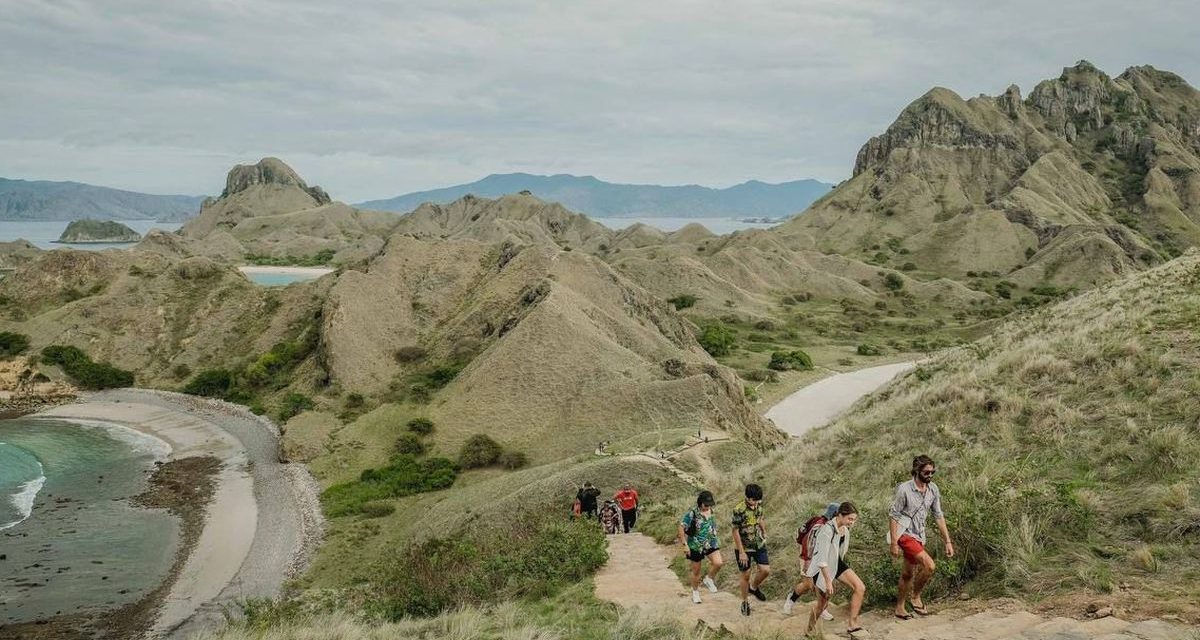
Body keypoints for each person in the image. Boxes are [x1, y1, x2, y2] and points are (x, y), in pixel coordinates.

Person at [890, 455, 954, 619]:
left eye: (933, 472)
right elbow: (894, 515)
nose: (930, 475)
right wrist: (894, 543)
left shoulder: (933, 489)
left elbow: (938, 516)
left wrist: (947, 541)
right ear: (917, 471)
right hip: (904, 534)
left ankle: (899, 607)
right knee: (930, 566)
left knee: (907, 574)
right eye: (926, 472)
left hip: (919, 535)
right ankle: (916, 597)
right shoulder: (904, 489)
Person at [806, 502, 868, 637]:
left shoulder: (845, 529)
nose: (852, 522)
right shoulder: (826, 530)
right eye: (850, 519)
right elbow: (822, 559)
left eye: (854, 520)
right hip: (822, 567)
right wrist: (828, 581)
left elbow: (839, 552)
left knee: (860, 587)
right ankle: (809, 630)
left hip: (836, 562)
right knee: (822, 603)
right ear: (840, 515)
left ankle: (852, 624)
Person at [782, 502, 838, 620]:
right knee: (808, 585)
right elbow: (808, 543)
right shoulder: (820, 526)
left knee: (823, 584)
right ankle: (790, 600)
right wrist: (807, 561)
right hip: (808, 557)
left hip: (821, 559)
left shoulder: (832, 526)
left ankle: (822, 608)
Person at [731, 483, 770, 616]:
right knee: (746, 574)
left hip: (758, 544)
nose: (757, 503)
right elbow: (735, 531)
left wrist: (764, 531)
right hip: (744, 547)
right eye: (755, 500)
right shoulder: (738, 510)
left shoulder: (758, 506)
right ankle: (745, 602)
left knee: (765, 570)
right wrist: (741, 552)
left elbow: (760, 519)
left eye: (758, 501)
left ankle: (753, 588)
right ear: (748, 498)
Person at [678, 490, 723, 604]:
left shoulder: (711, 511)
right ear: (700, 503)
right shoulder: (692, 514)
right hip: (696, 545)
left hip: (710, 543)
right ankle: (695, 592)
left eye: (709, 504)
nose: (707, 506)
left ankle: (708, 579)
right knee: (696, 571)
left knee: (718, 563)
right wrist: (685, 545)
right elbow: (681, 528)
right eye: (705, 504)